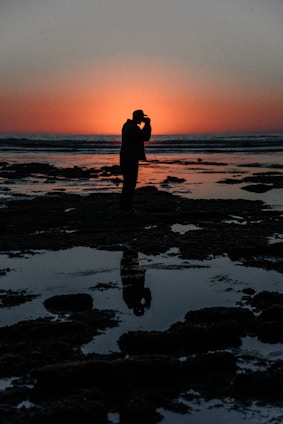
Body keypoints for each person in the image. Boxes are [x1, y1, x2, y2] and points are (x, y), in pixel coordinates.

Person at [119, 109, 151, 212]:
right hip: (130, 159)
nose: (142, 120)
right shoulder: (132, 128)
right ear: (139, 117)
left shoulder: (128, 126)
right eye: (142, 118)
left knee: (128, 184)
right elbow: (145, 137)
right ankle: (126, 208)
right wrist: (148, 125)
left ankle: (125, 207)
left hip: (127, 158)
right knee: (130, 184)